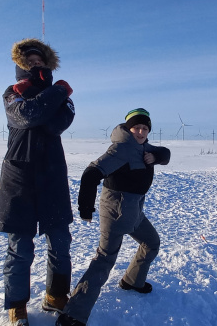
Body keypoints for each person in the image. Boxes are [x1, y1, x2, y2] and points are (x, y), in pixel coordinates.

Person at [56, 108, 170, 326]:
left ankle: (132, 281)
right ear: (129, 128)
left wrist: (155, 157)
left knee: (151, 242)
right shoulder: (121, 148)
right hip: (116, 212)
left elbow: (166, 153)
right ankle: (73, 314)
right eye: (137, 127)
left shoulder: (143, 146)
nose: (141, 131)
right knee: (104, 260)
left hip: (135, 211)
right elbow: (91, 173)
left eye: (145, 128)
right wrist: (85, 208)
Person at [0, 38, 76, 326]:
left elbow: (54, 124)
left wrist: (52, 94)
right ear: (20, 65)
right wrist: (58, 91)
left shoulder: (62, 98)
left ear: (48, 65)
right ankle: (17, 307)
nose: (35, 64)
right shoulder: (10, 93)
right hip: (20, 178)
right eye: (29, 61)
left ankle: (56, 296)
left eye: (40, 61)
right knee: (20, 247)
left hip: (52, 176)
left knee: (60, 242)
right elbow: (26, 116)